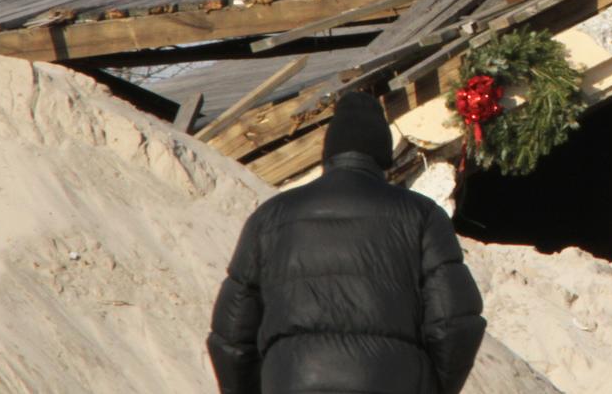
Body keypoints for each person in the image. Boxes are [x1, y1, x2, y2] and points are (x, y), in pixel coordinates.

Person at [206, 91, 485, 394]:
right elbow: (454, 322)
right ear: (383, 155)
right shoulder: (421, 215)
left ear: (328, 152)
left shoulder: (270, 218)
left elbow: (231, 336)